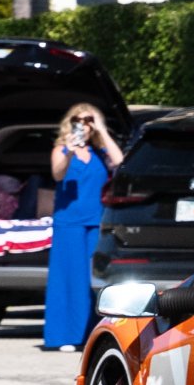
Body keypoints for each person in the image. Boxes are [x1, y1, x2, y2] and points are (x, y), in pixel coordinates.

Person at [44, 102, 123, 351]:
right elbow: (57, 174)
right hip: (69, 222)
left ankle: (93, 334)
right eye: (79, 120)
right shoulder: (60, 149)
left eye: (88, 120)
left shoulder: (100, 153)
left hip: (96, 221)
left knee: (97, 278)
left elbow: (121, 162)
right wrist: (69, 148)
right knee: (70, 278)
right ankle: (66, 336)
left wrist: (101, 130)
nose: (84, 125)